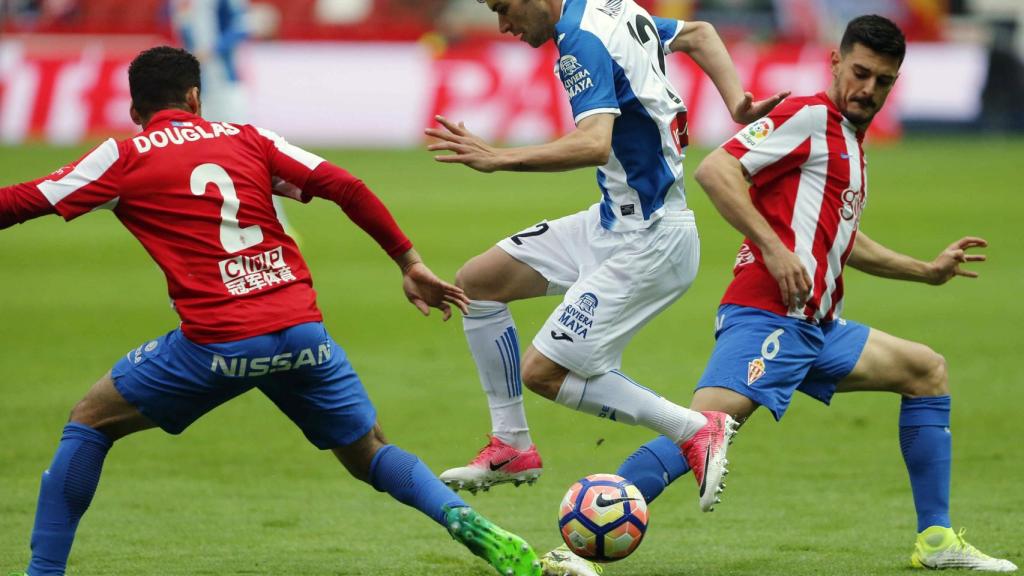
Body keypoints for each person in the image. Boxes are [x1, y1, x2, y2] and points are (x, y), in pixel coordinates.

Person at [1, 46, 541, 576]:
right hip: (301, 333)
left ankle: (43, 571)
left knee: (89, 421)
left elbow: (23, 201)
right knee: (370, 450)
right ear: (194, 96)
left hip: (218, 343)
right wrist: (409, 261)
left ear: (135, 111)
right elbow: (344, 185)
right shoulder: (248, 138)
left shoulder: (124, 156)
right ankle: (467, 523)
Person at [586, 14, 1016, 575]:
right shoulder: (811, 116)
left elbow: (838, 238)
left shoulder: (850, 143)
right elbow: (717, 171)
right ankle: (582, 535)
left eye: (883, 81)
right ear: (836, 62)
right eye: (861, 73)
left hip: (817, 328)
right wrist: (772, 247)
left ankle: (935, 542)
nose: (869, 89)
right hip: (769, 316)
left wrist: (926, 271)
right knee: (702, 430)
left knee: (925, 371)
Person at [426, 0, 787, 515]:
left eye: (504, 9)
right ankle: (512, 446)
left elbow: (594, 144)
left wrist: (498, 158)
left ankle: (693, 428)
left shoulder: (579, 40)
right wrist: (737, 104)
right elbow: (700, 33)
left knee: (543, 373)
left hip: (649, 240)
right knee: (478, 281)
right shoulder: (612, 8)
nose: (503, 25)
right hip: (613, 220)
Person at [169, 0, 298, 238]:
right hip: (194, 90)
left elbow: (242, 25)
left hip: (225, 88)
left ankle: (279, 226)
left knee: (249, 155)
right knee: (189, 157)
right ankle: (195, 228)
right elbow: (176, 27)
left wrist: (214, 50)